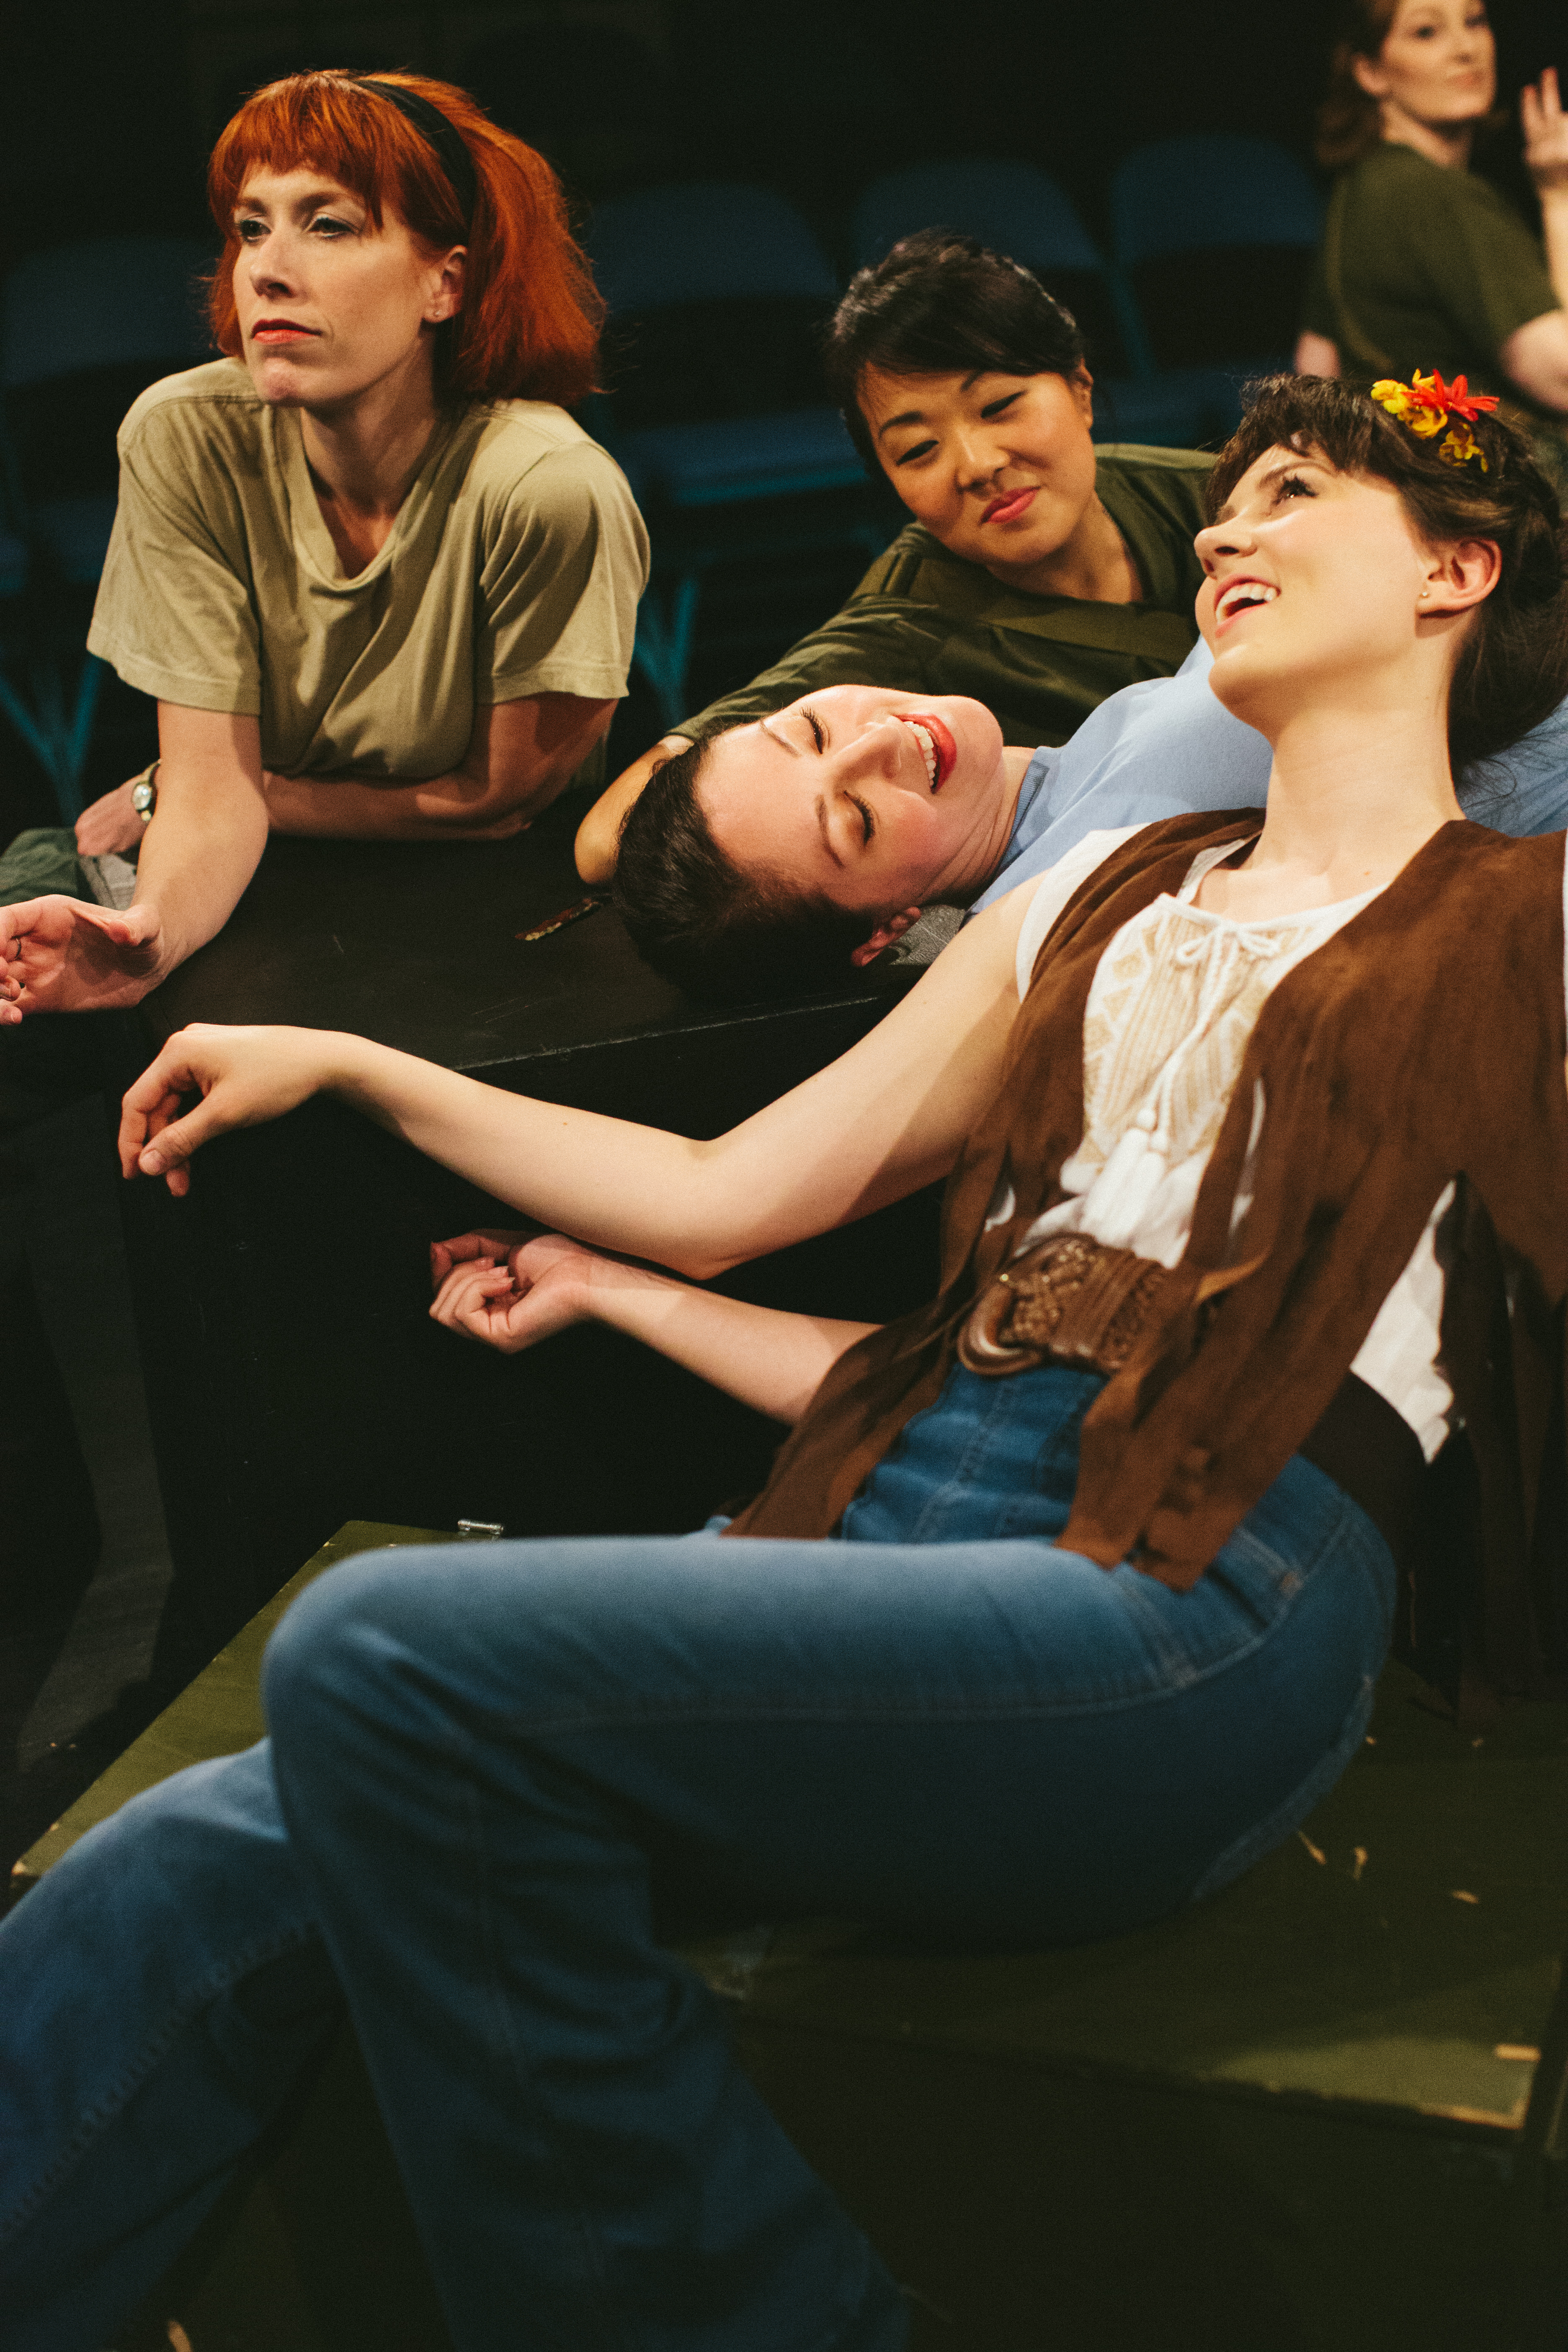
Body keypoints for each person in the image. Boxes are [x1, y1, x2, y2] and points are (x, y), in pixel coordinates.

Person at [5, 375, 1568, 2352]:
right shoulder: (1095, 896)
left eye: (1289, 495)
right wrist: (356, 1064)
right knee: (197, 1856)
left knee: (373, 1654)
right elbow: (729, 1185)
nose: (1217, 534)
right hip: (886, 1528)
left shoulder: (1536, 914)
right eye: (1223, 501)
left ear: (1453, 565)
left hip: (1191, 1599)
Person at [0, 70, 646, 1637]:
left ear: (446, 280)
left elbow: (489, 802)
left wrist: (170, 801)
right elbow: (209, 788)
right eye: (248, 229)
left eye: (330, 226)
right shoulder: (190, 433)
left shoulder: (544, 487)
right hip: (249, 872)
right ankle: (39, 1556)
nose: (267, 270)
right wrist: (144, 920)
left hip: (495, 904)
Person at [574, 229, 1214, 886]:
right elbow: (605, 840)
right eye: (917, 451)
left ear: (1080, 386)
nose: (978, 465)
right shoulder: (901, 630)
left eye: (999, 407)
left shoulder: (1220, 493)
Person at [608, 632, 1568, 999]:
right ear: (885, 931)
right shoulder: (1065, 898)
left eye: (813, 728)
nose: (876, 745)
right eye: (855, 820)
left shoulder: (1071, 786)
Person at [1296, 0, 1568, 488]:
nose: (1465, 49)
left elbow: (1315, 366)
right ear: (1371, 72)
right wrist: (1560, 200)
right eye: (1427, 32)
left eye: (1475, 21)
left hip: (1421, 491)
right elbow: (1562, 377)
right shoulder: (1436, 195)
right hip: (1503, 497)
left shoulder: (1359, 186)